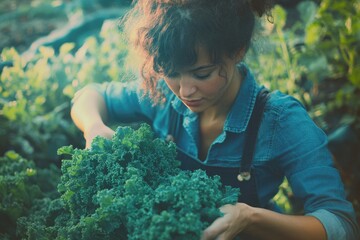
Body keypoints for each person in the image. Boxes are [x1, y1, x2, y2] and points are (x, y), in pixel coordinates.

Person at [70, 0, 359, 239]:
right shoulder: (161, 95)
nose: (185, 91)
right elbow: (91, 96)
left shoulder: (280, 121)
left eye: (202, 74)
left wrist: (252, 218)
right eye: (170, 71)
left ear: (237, 52)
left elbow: (340, 223)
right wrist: (94, 127)